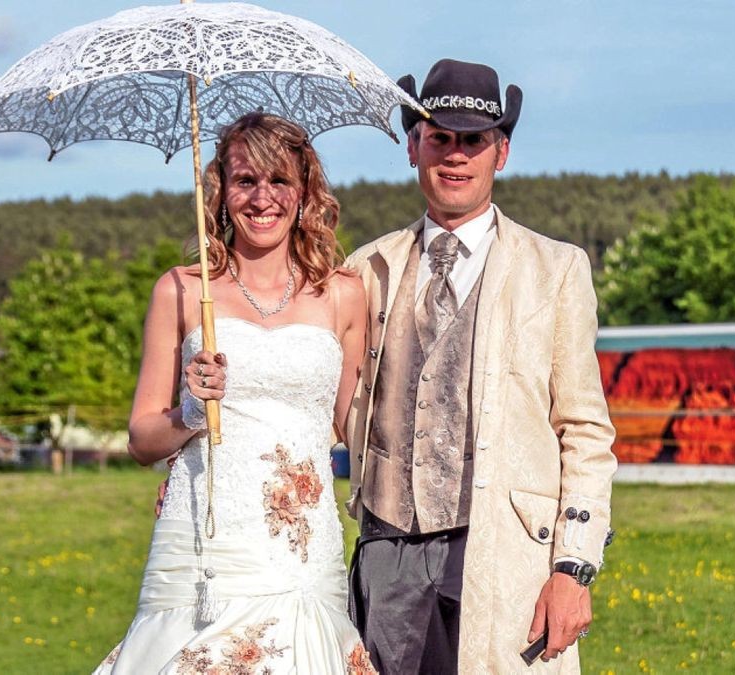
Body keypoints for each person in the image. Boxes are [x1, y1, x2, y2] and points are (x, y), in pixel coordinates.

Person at [344, 58, 618, 673]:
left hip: (503, 551)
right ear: (414, 146)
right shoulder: (366, 269)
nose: (456, 155)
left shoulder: (556, 269)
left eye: (474, 140)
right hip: (388, 551)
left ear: (503, 152)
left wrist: (574, 567)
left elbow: (585, 429)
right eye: (440, 138)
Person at [96, 112, 375, 674]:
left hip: (299, 549)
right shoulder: (180, 289)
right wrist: (190, 413)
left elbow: (358, 426)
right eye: (246, 180)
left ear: (304, 193)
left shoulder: (343, 295)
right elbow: (141, 438)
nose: (262, 197)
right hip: (202, 544)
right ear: (221, 192)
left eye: (279, 181)